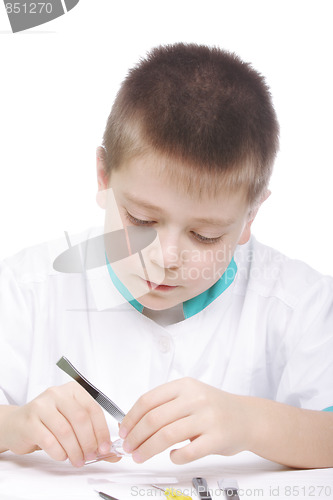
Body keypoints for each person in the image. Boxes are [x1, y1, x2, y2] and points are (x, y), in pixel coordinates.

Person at [0, 43, 332, 470]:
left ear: (251, 215)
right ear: (103, 177)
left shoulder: (300, 304)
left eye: (205, 235)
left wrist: (252, 422)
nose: (166, 258)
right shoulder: (26, 290)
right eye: (140, 219)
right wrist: (16, 423)